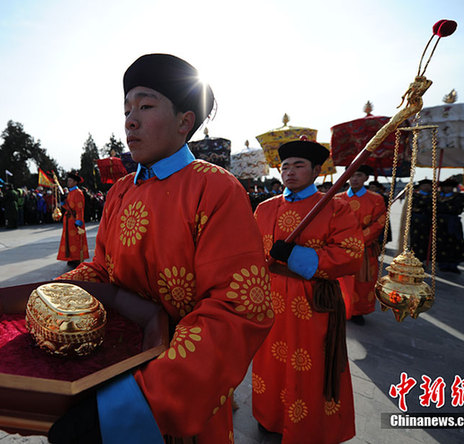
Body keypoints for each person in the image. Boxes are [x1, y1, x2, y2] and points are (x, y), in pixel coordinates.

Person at [48, 53, 273, 443]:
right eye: (127, 109)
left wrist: (141, 401)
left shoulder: (215, 188)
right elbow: (102, 269)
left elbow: (237, 307)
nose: (129, 120)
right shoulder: (119, 191)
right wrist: (51, 297)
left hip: (174, 389)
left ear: (185, 120)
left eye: (146, 106)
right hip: (106, 364)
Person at [252, 139, 364, 444]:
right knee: (268, 362)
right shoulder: (264, 208)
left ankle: (307, 427)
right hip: (270, 298)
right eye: (285, 166)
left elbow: (352, 254)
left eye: (299, 165)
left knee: (308, 366)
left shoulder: (336, 207)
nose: (290, 172)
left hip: (311, 302)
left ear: (317, 170)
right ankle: (270, 415)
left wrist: (296, 257)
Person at [336, 165, 386, 325]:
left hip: (364, 249)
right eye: (351, 175)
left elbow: (379, 223)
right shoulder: (337, 198)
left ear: (366, 178)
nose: (354, 179)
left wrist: (356, 241)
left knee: (362, 283)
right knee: (339, 282)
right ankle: (340, 309)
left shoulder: (376, 199)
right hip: (340, 248)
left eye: (358, 175)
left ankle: (358, 311)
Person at [57, 171, 90, 267]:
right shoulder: (70, 192)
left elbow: (80, 208)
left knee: (75, 240)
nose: (68, 182)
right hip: (68, 220)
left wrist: (79, 221)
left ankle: (76, 258)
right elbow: (68, 207)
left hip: (75, 220)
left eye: (70, 180)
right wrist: (63, 202)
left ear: (75, 182)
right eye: (68, 180)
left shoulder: (78, 193)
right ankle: (71, 257)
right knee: (69, 240)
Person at [436, 178, 464, 273]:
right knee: (440, 243)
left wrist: (442, 208)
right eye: (445, 187)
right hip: (439, 223)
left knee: (454, 243)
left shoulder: (458, 197)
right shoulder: (436, 196)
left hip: (452, 223)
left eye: (449, 187)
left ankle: (453, 264)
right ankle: (442, 263)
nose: (447, 189)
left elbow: (456, 208)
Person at [409, 179, 433, 264]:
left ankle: (423, 259)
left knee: (427, 241)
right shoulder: (414, 196)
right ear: (420, 187)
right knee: (414, 240)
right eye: (424, 185)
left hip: (428, 222)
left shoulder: (434, 197)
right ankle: (414, 258)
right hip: (416, 222)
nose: (426, 187)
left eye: (428, 186)